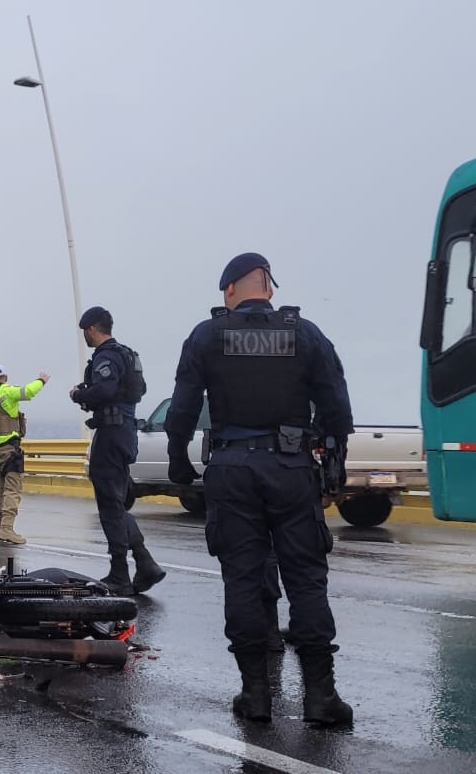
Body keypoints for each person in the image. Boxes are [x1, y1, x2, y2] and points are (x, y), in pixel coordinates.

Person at [165, 253, 354, 726]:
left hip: (231, 470)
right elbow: (336, 404)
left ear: (230, 290)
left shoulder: (207, 336)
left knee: (243, 580)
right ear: (268, 288)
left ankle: (255, 696)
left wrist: (178, 464)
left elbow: (183, 410)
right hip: (291, 468)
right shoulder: (304, 333)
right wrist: (334, 461)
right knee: (307, 578)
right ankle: (321, 697)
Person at [70, 307, 165, 596]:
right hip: (125, 432)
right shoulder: (128, 354)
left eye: (84, 332)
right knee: (117, 504)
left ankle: (120, 574)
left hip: (111, 435)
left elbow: (104, 391)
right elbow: (140, 389)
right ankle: (144, 562)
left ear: (91, 329)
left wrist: (79, 394)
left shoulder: (107, 356)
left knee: (110, 507)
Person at [0, 363, 49, 545]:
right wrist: (41, 380)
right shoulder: (6, 392)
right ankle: (7, 529)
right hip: (9, 449)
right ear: (5, 378)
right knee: (12, 490)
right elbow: (28, 392)